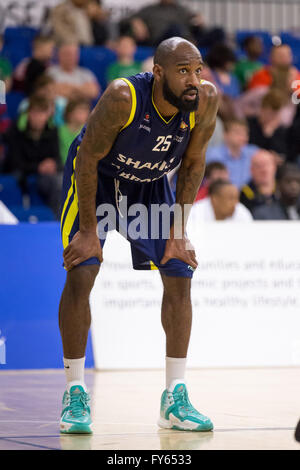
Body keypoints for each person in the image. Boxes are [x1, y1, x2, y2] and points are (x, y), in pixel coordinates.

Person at [58, 37, 218, 434]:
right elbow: (88, 157)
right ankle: (75, 393)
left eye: (197, 70)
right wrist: (90, 231)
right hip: (96, 178)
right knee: (83, 268)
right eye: (183, 71)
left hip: (147, 186)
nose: (193, 80)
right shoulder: (122, 97)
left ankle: (174, 397)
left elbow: (193, 163)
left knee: (179, 268)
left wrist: (178, 232)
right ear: (159, 72)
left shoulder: (205, 101)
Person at [4, 96, 62, 219]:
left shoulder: (52, 131)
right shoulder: (15, 131)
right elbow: (14, 163)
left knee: (62, 179)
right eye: (35, 113)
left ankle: (59, 220)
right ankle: (55, 220)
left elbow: (58, 159)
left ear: (47, 115)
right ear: (28, 114)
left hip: (46, 176)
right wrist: (38, 167)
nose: (39, 118)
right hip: (23, 174)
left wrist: (53, 164)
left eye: (42, 113)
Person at [205, 119, 258, 189]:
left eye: (245, 133)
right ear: (225, 135)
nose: (242, 136)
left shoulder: (253, 153)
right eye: (237, 132)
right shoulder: (213, 155)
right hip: (220, 194)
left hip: (247, 197)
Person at [120, 0, 196, 47]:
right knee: (174, 28)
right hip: (158, 42)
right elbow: (123, 21)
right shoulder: (150, 9)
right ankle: (187, 44)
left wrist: (199, 21)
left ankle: (187, 45)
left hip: (180, 41)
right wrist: (135, 21)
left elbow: (196, 21)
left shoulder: (182, 10)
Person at [247, 88, 289, 162]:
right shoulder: (250, 123)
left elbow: (281, 154)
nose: (273, 117)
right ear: (262, 109)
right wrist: (266, 134)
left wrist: (270, 134)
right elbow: (249, 148)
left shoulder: (279, 129)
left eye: (276, 114)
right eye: (270, 113)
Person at [240, 149, 277, 214]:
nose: (263, 170)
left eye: (267, 164)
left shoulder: (283, 189)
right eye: (259, 166)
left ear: (274, 167)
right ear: (251, 170)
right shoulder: (244, 193)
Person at [58, 98, 91, 164]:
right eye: (81, 111)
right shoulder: (59, 130)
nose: (85, 114)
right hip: (62, 168)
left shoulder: (87, 131)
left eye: (86, 111)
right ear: (70, 113)